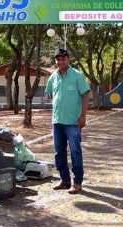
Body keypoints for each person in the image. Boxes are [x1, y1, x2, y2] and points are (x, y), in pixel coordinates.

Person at [45, 48, 91, 194]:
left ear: (68, 60)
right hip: (57, 121)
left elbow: (85, 94)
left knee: (75, 151)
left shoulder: (77, 75)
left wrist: (83, 115)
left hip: (73, 122)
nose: (60, 61)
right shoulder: (53, 77)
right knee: (59, 152)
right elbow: (52, 94)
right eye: (58, 59)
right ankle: (65, 179)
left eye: (63, 59)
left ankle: (77, 182)